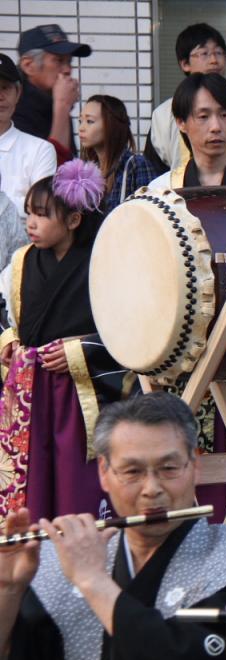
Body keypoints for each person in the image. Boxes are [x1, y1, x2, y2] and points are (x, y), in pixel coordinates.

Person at [0, 391, 226, 660]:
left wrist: (93, 582)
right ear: (103, 472)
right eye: (132, 472)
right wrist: (8, 590)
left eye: (169, 469)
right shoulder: (58, 568)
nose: (152, 489)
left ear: (194, 467)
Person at [0, 161, 130, 520]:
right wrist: (9, 340)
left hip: (82, 391)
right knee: (31, 476)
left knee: (74, 477)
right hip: (31, 388)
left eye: (42, 215)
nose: (30, 223)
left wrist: (81, 348)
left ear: (73, 220)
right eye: (28, 213)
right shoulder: (22, 260)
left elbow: (128, 327)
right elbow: (6, 313)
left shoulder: (104, 262)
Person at [146, 23, 226, 174]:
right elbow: (154, 166)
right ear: (185, 64)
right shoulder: (163, 114)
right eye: (204, 53)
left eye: (219, 53)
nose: (214, 60)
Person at [0, 52, 56, 268]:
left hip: (23, 263)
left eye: (5, 88)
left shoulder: (40, 149)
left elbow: (42, 212)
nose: (0, 96)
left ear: (18, 93)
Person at [14, 24, 90, 164]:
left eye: (69, 61)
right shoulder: (11, 106)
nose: (67, 70)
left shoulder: (51, 100)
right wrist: (62, 105)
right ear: (28, 66)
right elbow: (48, 171)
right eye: (58, 60)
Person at [78, 95, 160, 212]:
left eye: (89, 121)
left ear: (111, 125)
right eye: (80, 121)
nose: (81, 128)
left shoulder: (135, 165)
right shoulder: (86, 170)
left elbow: (150, 213)